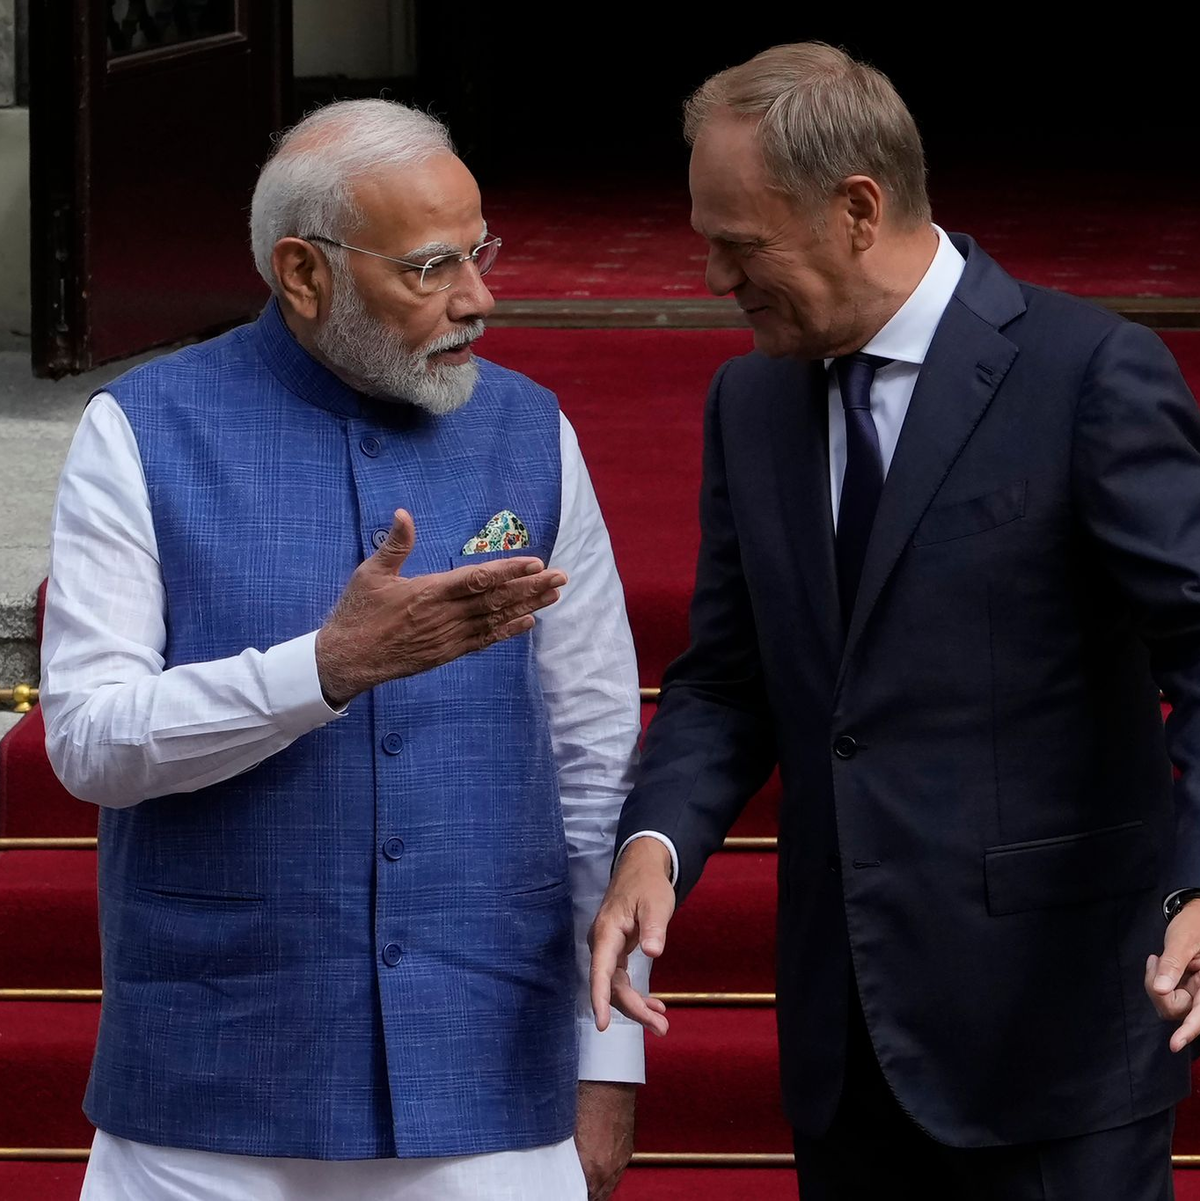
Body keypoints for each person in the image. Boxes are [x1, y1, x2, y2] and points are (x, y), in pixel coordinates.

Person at [589, 41, 1200, 1201]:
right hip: (846, 1040)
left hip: (1053, 1042)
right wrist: (653, 844)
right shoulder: (750, 398)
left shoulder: (1088, 373)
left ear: (857, 209)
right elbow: (726, 676)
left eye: (739, 243)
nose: (713, 277)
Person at [40, 98, 646, 1201]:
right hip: (208, 1096)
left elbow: (596, 749)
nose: (479, 298)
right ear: (303, 274)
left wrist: (609, 1057)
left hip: (487, 1084)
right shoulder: (141, 429)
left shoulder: (532, 430)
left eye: (480, 252)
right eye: (429, 269)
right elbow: (86, 742)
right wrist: (318, 671)